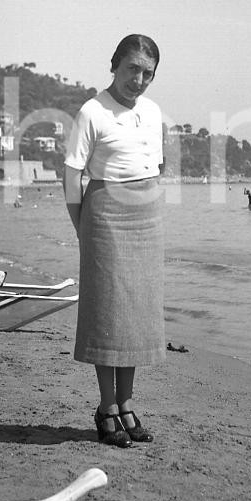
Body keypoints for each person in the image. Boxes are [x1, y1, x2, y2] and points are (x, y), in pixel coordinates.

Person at [63, 34, 164, 448]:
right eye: (132, 70)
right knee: (108, 315)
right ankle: (106, 407)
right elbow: (72, 176)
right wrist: (82, 226)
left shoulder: (154, 112)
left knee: (136, 315)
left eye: (147, 74)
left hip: (147, 215)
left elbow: (155, 167)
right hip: (104, 215)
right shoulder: (92, 111)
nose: (138, 80)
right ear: (114, 65)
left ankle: (127, 404)